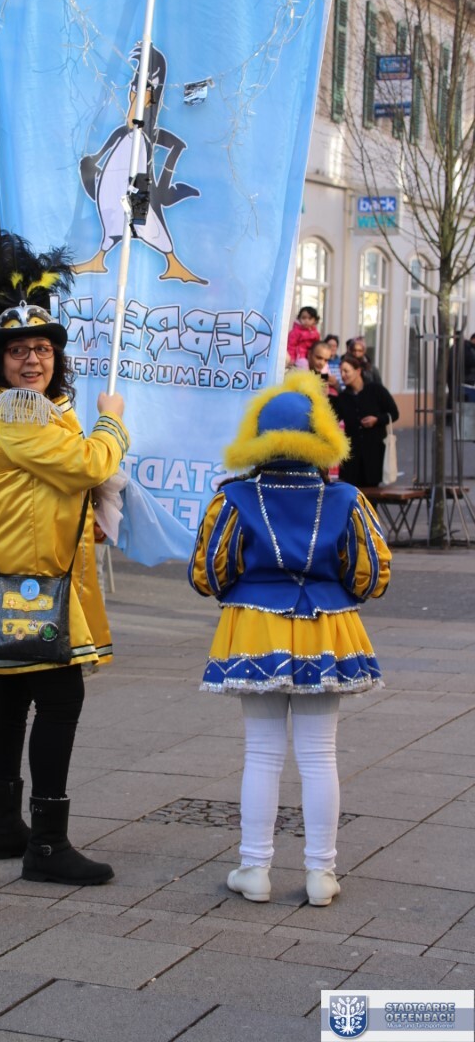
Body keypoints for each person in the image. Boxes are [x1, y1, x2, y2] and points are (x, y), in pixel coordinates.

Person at [0, 233, 129, 886]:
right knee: (59, 697)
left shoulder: (19, 407)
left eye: (43, 349)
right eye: (19, 350)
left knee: (11, 693)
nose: (32, 360)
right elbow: (88, 465)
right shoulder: (20, 411)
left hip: (16, 574)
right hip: (31, 581)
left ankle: (3, 827)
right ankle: (48, 845)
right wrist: (111, 421)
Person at [189, 371, 391, 906]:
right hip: (326, 625)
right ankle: (321, 873)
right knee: (320, 755)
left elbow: (209, 573)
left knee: (261, 753)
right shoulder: (345, 498)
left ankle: (255, 868)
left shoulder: (234, 497)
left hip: (256, 626)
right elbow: (371, 574)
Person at [331, 354, 399, 487]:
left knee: (372, 492)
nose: (343, 375)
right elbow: (334, 418)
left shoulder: (376, 390)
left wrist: (377, 419)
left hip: (374, 454)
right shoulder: (343, 397)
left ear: (357, 371)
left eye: (346, 371)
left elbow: (394, 413)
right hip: (352, 459)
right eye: (341, 372)